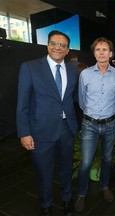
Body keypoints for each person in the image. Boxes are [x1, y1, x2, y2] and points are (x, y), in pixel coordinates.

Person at [16, 30, 79, 216]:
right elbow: (23, 103)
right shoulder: (30, 67)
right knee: (44, 172)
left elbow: (74, 98)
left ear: (67, 50)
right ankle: (46, 204)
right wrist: (24, 132)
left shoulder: (73, 70)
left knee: (67, 168)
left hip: (67, 128)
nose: (58, 47)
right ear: (48, 45)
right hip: (40, 131)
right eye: (54, 43)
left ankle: (67, 200)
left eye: (62, 45)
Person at [74, 37, 115, 212]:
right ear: (94, 53)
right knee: (86, 162)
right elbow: (81, 101)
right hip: (90, 124)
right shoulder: (85, 74)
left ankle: (104, 186)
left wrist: (114, 118)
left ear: (111, 54)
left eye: (105, 49)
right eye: (98, 49)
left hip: (110, 124)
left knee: (108, 159)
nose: (101, 52)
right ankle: (81, 193)